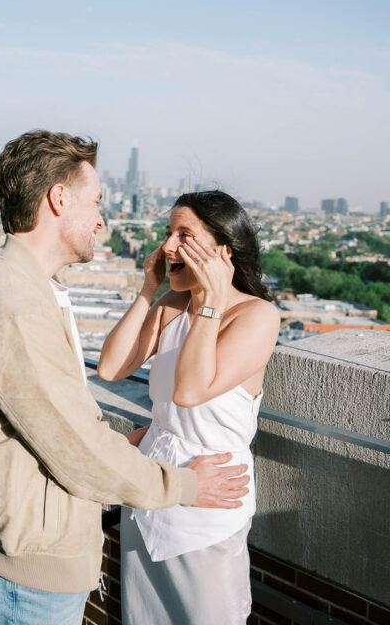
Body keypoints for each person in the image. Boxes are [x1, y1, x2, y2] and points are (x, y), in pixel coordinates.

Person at [0, 130, 251, 625]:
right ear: (59, 199)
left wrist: (115, 448)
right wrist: (185, 486)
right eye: (96, 201)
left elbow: (58, 426)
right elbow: (78, 441)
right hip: (27, 576)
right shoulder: (15, 304)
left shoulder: (29, 290)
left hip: (37, 556)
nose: (102, 220)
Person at [97, 190, 280, 624]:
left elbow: (190, 391)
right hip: (153, 489)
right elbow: (110, 367)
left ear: (223, 251)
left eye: (184, 235)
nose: (168, 246)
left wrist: (211, 303)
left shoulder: (257, 316)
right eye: (168, 233)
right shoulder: (171, 306)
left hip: (211, 505)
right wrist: (149, 289)